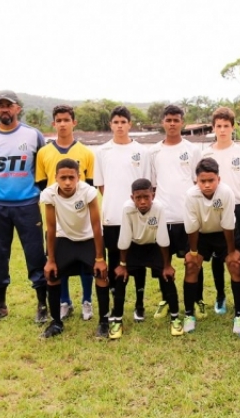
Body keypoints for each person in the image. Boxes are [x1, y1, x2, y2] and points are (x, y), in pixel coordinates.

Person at [0, 90, 48, 324]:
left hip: (27, 205)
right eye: (0, 105)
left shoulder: (33, 135)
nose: (4, 109)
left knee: (35, 254)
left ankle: (42, 305)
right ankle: (0, 305)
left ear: (18, 108)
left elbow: (42, 168)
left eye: (8, 105)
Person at [36, 105, 95, 321]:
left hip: (81, 218)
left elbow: (90, 185)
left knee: (86, 264)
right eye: (58, 120)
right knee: (60, 263)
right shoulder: (43, 153)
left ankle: (87, 300)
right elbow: (42, 184)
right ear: (53, 123)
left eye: (66, 120)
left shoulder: (86, 153)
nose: (62, 124)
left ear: (74, 122)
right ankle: (64, 302)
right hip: (57, 219)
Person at [39, 158, 107, 338]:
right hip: (64, 238)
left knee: (101, 275)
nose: (68, 182)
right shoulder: (49, 194)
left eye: (71, 177)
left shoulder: (88, 192)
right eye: (63, 178)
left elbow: (96, 225)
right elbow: (51, 228)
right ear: (56, 178)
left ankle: (104, 322)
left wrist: (100, 258)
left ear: (78, 177)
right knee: (52, 275)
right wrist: (50, 260)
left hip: (88, 238)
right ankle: (56, 322)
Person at [94, 106, 150, 323]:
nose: (119, 126)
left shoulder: (141, 151)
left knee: (138, 260)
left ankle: (139, 304)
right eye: (116, 122)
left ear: (129, 124)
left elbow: (147, 185)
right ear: (110, 125)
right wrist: (115, 203)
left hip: (137, 216)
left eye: (123, 122)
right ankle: (116, 301)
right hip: (112, 217)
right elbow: (101, 186)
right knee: (115, 259)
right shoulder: (102, 151)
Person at [110, 178, 182, 338]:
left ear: (153, 196)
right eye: (138, 198)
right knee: (121, 277)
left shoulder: (159, 208)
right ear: (132, 198)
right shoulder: (127, 209)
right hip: (134, 247)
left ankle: (175, 319)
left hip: (153, 246)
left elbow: (163, 238)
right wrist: (122, 265)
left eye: (146, 197)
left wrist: (167, 265)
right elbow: (124, 238)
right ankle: (117, 321)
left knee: (168, 276)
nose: (142, 201)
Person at [149, 105, 203, 318]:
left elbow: (198, 182)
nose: (172, 123)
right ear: (162, 122)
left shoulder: (192, 150)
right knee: (163, 262)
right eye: (168, 120)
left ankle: (197, 300)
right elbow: (152, 186)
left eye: (176, 120)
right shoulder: (154, 151)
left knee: (193, 261)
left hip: (187, 217)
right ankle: (166, 298)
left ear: (182, 123)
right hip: (164, 217)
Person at [182, 158, 240, 334]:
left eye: (211, 180)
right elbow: (192, 227)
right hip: (201, 234)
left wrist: (231, 252)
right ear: (196, 180)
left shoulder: (226, 193)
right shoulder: (191, 195)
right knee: (191, 265)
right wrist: (193, 252)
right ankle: (189, 315)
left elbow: (228, 224)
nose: (207, 185)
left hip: (224, 233)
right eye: (203, 181)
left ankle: (239, 315)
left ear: (219, 179)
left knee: (236, 264)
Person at [201, 107, 240, 315]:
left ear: (232, 127)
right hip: (214, 209)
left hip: (238, 208)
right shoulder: (205, 154)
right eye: (219, 126)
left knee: (237, 255)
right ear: (213, 128)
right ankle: (220, 296)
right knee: (217, 256)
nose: (222, 130)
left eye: (226, 126)